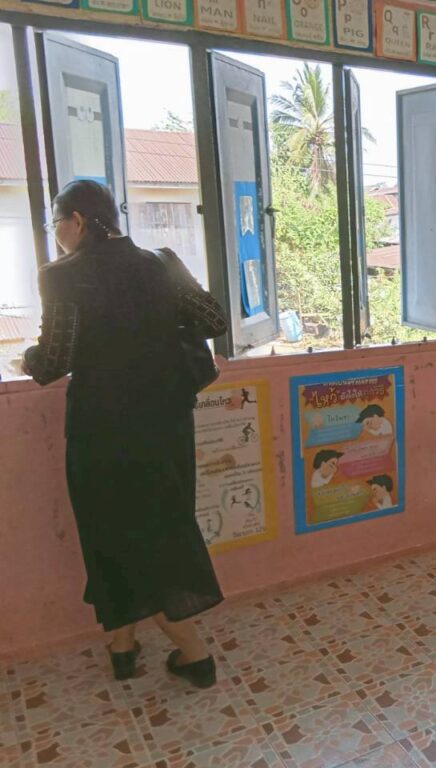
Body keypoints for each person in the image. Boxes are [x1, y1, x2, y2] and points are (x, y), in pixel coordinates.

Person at [22, 180, 228, 688]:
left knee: (116, 535)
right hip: (166, 426)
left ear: (77, 221)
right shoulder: (160, 262)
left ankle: (195, 654)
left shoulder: (61, 276)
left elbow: (52, 361)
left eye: (55, 223)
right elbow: (214, 320)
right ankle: (122, 646)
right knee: (158, 526)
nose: (56, 234)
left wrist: (25, 358)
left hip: (102, 433)